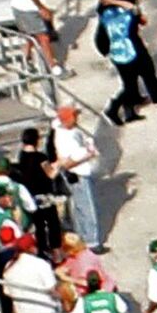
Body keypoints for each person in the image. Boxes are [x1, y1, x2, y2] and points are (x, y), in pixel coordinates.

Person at [100, 0, 157, 111]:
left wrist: (139, 18)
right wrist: (138, 17)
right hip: (130, 39)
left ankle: (136, 98)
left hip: (130, 38)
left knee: (137, 73)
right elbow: (127, 10)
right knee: (147, 69)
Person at [50, 106, 102, 250]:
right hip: (78, 174)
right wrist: (88, 153)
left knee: (79, 207)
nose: (77, 118)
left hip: (73, 174)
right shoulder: (65, 138)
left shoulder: (61, 130)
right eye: (74, 116)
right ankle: (93, 242)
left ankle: (82, 237)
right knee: (87, 208)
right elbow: (68, 161)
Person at [97, 0, 150, 125]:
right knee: (130, 86)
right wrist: (115, 2)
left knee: (129, 83)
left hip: (116, 54)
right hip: (129, 52)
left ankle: (129, 112)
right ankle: (113, 108)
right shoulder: (122, 15)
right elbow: (133, 9)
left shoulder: (104, 17)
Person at [11, 126, 64, 253]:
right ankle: (56, 251)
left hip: (31, 196)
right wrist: (60, 165)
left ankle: (43, 250)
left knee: (39, 225)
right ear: (37, 140)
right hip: (44, 196)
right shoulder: (41, 157)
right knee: (53, 224)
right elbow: (50, 174)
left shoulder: (22, 156)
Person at [0, 234, 59, 313]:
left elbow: (7, 292)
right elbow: (52, 290)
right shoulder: (41, 264)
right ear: (32, 248)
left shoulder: (8, 266)